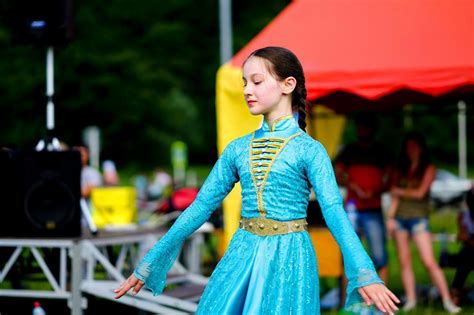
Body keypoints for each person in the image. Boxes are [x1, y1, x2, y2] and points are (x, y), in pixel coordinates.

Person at [114, 47, 399, 314]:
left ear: (288, 85)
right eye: (244, 83)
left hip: (289, 258)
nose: (247, 90)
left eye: (257, 82)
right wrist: (150, 263)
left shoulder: (309, 150)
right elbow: (199, 208)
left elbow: (335, 211)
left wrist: (364, 272)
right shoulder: (237, 149)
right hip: (241, 253)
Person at [386, 131, 461, 313]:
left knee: (428, 261)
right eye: (408, 146)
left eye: (415, 146)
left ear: (421, 148)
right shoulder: (400, 168)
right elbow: (393, 195)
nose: (411, 150)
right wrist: (390, 218)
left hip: (419, 219)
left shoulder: (429, 168)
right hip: (400, 219)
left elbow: (420, 193)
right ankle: (411, 300)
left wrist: (400, 191)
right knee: (404, 261)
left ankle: (447, 300)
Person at [335, 112, 392, 284]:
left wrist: (375, 191)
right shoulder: (349, 150)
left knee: (379, 257)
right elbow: (337, 175)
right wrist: (353, 186)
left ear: (372, 129)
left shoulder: (381, 151)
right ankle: (346, 302)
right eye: (361, 126)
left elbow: (391, 178)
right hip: (352, 207)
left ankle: (382, 305)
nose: (363, 130)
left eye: (366, 126)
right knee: (349, 254)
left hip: (373, 208)